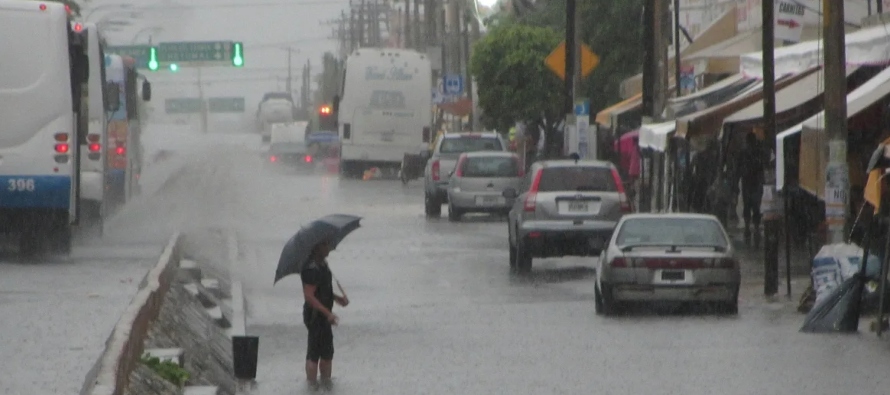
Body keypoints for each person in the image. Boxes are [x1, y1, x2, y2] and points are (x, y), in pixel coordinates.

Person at [301, 240, 349, 390]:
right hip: (315, 315)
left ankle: (326, 385)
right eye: (326, 245)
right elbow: (309, 295)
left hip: (324, 315)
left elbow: (323, 291)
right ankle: (312, 386)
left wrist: (337, 299)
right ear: (317, 247)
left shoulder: (323, 265)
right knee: (314, 353)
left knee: (327, 352)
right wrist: (328, 313)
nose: (329, 248)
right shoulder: (311, 268)